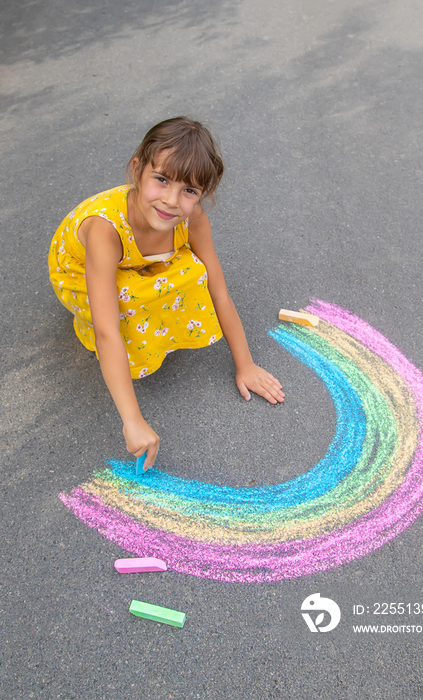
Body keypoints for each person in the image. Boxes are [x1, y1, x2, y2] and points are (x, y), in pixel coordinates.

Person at [49, 116, 284, 469]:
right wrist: (133, 420)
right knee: (123, 303)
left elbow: (218, 289)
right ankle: (89, 320)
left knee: (195, 273)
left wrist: (245, 364)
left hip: (131, 260)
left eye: (189, 191)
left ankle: (148, 299)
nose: (172, 201)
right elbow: (107, 331)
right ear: (136, 170)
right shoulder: (104, 230)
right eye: (161, 180)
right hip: (78, 272)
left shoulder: (192, 218)